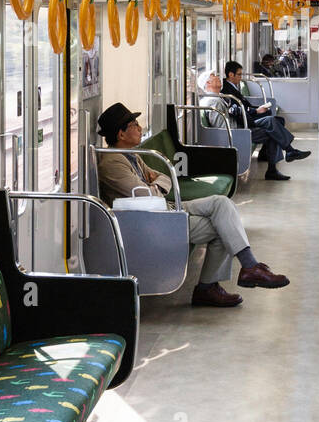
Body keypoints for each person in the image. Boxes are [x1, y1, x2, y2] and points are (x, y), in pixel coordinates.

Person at [95, 103, 288, 308]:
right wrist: (156, 184)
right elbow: (150, 191)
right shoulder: (112, 163)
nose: (140, 128)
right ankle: (210, 287)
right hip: (149, 220)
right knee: (223, 228)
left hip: (162, 207)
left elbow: (164, 178)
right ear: (121, 134)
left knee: (221, 203)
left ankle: (249, 266)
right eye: (134, 125)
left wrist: (155, 183)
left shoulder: (132, 155)